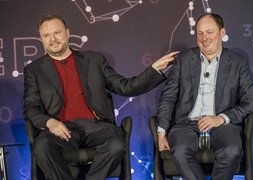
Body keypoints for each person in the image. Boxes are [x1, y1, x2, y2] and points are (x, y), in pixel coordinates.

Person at [23, 13, 178, 180]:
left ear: (67, 33)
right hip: (60, 128)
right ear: (41, 39)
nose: (52, 39)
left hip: (96, 127)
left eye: (57, 33)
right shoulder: (34, 70)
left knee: (117, 145)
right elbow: (31, 108)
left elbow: (125, 87)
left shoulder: (94, 60)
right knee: (42, 147)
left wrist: (154, 69)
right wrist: (50, 122)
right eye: (46, 35)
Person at [156, 13, 253, 180]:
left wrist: (221, 118)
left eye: (210, 32)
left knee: (231, 150)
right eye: (200, 33)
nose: (204, 38)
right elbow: (168, 97)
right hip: (186, 123)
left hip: (222, 125)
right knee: (180, 150)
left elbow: (252, 101)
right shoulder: (184, 60)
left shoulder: (237, 62)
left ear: (222, 33)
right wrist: (161, 133)